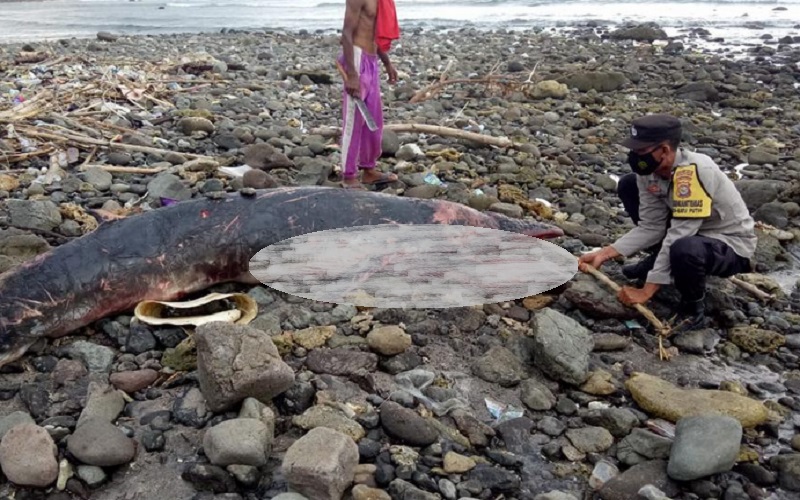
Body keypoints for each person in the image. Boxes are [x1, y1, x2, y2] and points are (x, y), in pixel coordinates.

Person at [578, 113, 757, 333]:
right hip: (688, 233)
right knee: (628, 184)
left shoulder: (693, 172)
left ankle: (693, 309)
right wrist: (604, 253)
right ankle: (660, 261)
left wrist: (647, 290)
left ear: (664, 150)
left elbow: (680, 235)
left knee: (685, 248)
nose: (635, 157)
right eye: (633, 151)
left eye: (641, 151)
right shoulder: (648, 170)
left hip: (728, 245)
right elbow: (651, 225)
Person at [337, 0, 400, 190]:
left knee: (374, 120)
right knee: (353, 121)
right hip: (356, 59)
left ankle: (368, 170)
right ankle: (348, 175)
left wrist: (387, 63)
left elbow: (376, 33)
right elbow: (346, 34)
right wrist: (352, 75)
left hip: (371, 60)